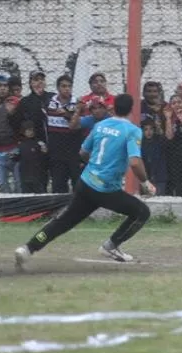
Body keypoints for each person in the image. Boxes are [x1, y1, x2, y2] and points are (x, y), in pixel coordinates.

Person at [14, 94, 155, 268]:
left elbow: (83, 152)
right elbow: (135, 162)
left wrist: (96, 166)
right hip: (105, 189)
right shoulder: (132, 130)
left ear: (114, 108)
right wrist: (145, 183)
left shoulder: (100, 125)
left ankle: (27, 249)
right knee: (142, 212)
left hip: (86, 183)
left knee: (63, 221)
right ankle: (111, 246)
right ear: (131, 110)